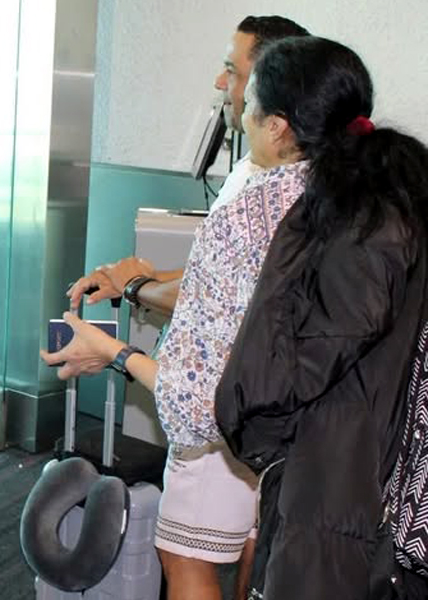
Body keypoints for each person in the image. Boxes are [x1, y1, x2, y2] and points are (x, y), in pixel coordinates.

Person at [42, 20, 317, 600]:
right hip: (275, 416)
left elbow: (213, 301)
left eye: (236, 72)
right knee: (255, 544)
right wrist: (136, 278)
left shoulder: (263, 203)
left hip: (223, 414)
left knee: (184, 557)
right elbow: (215, 279)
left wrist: (121, 328)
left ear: (277, 111)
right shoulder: (295, 183)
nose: (223, 84)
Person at [214, 36, 428, 600]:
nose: (242, 110)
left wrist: (249, 414)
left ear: (281, 122)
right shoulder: (388, 191)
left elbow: (304, 356)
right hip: (356, 454)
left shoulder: (359, 214)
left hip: (343, 470)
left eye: (250, 95)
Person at [68, 16, 309, 317]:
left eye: (231, 71)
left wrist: (135, 287)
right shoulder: (251, 166)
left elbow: (221, 300)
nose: (220, 81)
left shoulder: (284, 195)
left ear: (268, 83)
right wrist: (142, 279)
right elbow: (215, 271)